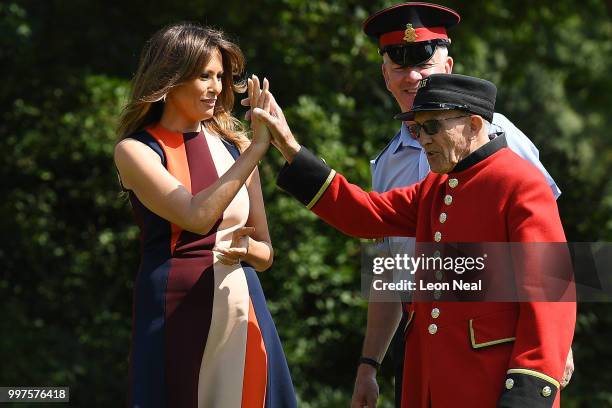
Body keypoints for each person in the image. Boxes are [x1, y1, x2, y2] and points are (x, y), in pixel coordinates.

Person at [250, 73, 575, 407]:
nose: (422, 139)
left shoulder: (520, 183)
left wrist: (529, 389)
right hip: (428, 381)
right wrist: (289, 147)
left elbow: (552, 293)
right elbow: (363, 213)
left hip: (490, 385)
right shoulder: (437, 187)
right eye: (417, 128)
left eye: (432, 127)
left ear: (475, 123)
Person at [358, 3, 572, 406]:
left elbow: (550, 253)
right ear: (385, 75)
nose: (414, 78)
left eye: (425, 65)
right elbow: (388, 274)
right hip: (425, 352)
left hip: (496, 355)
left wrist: (556, 346)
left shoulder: (497, 133)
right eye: (400, 67)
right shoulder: (386, 166)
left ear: (449, 66)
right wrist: (369, 363)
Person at [113, 23, 296, 407]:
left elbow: (266, 253)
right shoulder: (136, 151)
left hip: (243, 307)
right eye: (204, 76)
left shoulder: (236, 147)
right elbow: (196, 217)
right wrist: (257, 149)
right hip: (174, 311)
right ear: (170, 78)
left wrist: (247, 249)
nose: (216, 87)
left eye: (220, 77)